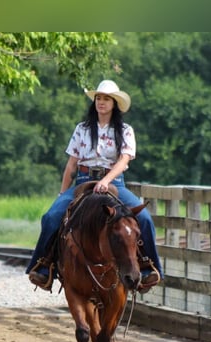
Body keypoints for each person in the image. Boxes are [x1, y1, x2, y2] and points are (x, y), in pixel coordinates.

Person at [26, 79, 163, 293]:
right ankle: (44, 266)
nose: (101, 102)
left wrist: (106, 181)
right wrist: (63, 193)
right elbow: (72, 163)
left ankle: (148, 268)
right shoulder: (82, 129)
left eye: (106, 99)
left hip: (114, 182)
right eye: (98, 98)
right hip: (83, 180)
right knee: (51, 217)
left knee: (143, 218)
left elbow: (124, 160)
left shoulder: (125, 130)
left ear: (114, 103)